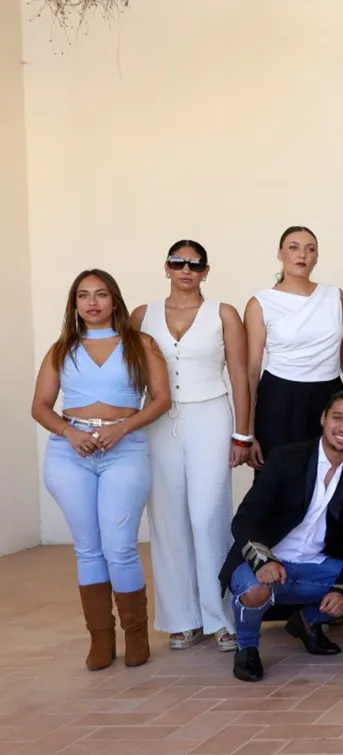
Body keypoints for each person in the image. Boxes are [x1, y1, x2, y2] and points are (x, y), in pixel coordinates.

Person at [32, 269, 172, 670]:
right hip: (69, 451)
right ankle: (100, 638)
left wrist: (123, 427)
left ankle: (136, 634)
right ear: (74, 304)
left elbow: (161, 399)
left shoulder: (140, 344)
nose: (92, 303)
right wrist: (69, 433)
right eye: (83, 296)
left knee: (120, 546)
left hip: (124, 450)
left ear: (115, 300)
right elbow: (40, 405)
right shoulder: (62, 349)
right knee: (88, 549)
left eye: (101, 294)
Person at [221, 391, 343, 682]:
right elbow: (245, 518)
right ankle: (247, 649)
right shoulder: (287, 458)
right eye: (337, 418)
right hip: (267, 565)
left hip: (317, 566)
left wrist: (342, 591)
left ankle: (306, 621)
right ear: (323, 418)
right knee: (254, 591)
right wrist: (263, 560)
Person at [131, 240, 251, 653]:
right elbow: (129, 374)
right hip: (158, 422)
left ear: (206, 270)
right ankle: (182, 619)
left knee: (208, 516)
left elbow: (239, 375)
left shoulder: (224, 314)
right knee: (167, 519)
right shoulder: (142, 315)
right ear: (166, 267)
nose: (186, 269)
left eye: (194, 264)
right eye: (178, 262)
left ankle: (221, 616)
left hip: (211, 416)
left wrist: (243, 433)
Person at [244, 226, 343, 461]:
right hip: (280, 397)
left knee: (326, 474)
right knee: (278, 477)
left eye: (310, 249)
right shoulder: (261, 303)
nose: (302, 255)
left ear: (317, 258)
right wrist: (248, 431)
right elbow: (251, 371)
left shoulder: (335, 297)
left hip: (329, 393)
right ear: (280, 253)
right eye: (294, 248)